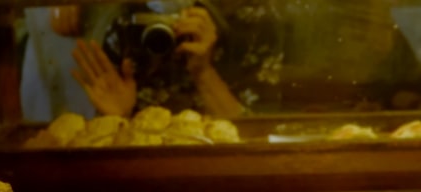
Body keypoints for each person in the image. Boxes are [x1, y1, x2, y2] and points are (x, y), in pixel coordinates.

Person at [69, 1, 284, 119]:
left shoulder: (253, 23)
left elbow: (259, 140)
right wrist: (118, 117)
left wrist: (204, 73)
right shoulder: (127, 22)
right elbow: (110, 152)